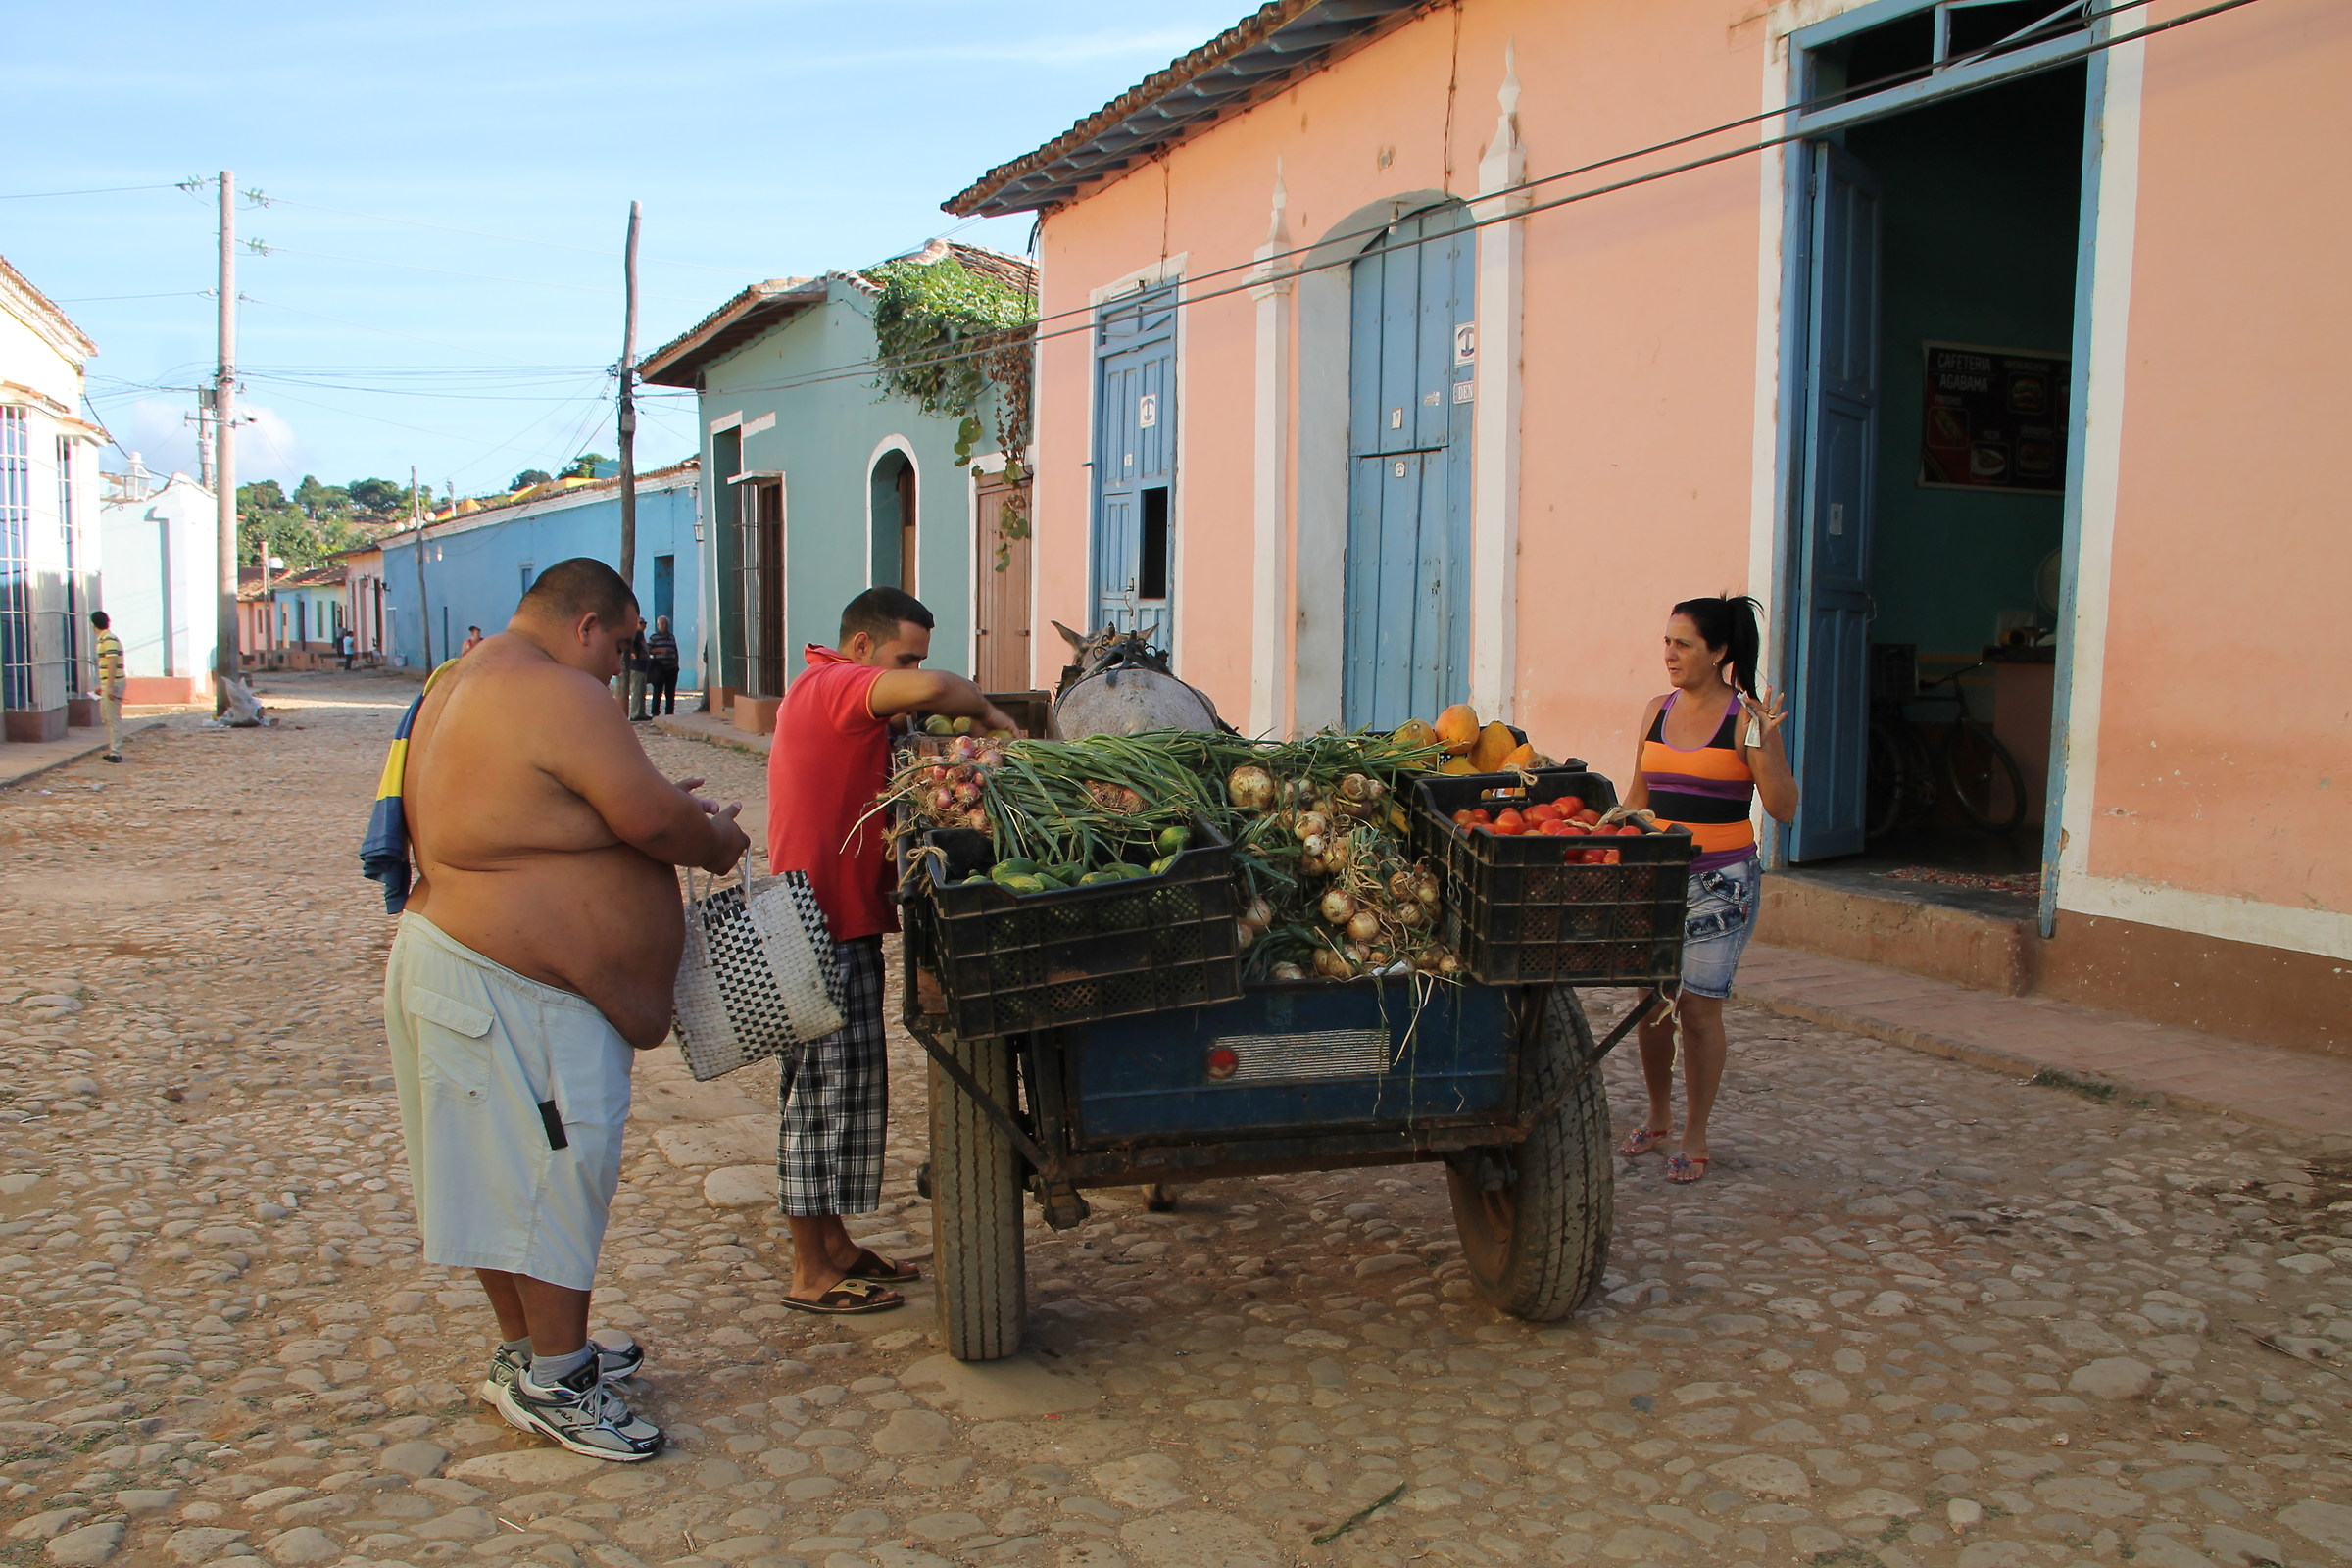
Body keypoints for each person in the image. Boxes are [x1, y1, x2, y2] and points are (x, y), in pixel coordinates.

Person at [384, 558, 748, 1460]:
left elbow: (568, 811)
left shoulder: (459, 680)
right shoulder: (556, 691)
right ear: (587, 625)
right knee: (549, 1176)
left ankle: (529, 1352)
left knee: (496, 1176)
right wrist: (718, 839)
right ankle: (558, 1377)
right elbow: (655, 824)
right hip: (512, 983)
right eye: (621, 647)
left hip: (470, 970)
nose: (622, 668)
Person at [766, 586, 1016, 1314]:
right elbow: (940, 689)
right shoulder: (835, 686)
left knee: (843, 1097)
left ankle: (836, 1248)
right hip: (818, 927)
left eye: (917, 658)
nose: (914, 673)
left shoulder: (835, 690)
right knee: (815, 1103)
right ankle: (810, 1272)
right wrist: (989, 715)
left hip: (840, 924)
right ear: (862, 649)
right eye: (903, 657)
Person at [1620, 595, 1798, 1184]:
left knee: (1697, 1009)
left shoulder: (1747, 721)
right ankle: (1659, 1115)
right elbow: (1638, 798)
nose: (1669, 653)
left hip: (1722, 881)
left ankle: (1695, 1135)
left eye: (1684, 644)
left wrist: (1767, 745)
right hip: (1658, 878)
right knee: (1650, 1003)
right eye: (1667, 641)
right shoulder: (1656, 711)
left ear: (1719, 652)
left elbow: (1785, 808)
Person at [90, 611, 124, 762]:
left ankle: (116, 752)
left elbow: (112, 662)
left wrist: (109, 686)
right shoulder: (105, 639)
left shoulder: (108, 640)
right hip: (109, 682)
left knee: (112, 717)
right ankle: (113, 748)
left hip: (114, 682)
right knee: (106, 716)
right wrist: (103, 685)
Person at [644, 615, 679, 716]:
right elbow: (647, 650)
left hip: (671, 669)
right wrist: (660, 651)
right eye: (662, 624)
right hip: (659, 669)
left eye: (666, 624)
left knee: (670, 692)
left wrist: (676, 664)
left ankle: (669, 712)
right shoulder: (654, 638)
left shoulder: (671, 637)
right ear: (658, 625)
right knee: (657, 692)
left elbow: (675, 650)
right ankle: (655, 712)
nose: (664, 626)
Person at [621, 623, 652, 721]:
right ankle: (636, 713)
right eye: (641, 623)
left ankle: (641, 712)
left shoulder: (641, 635)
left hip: (642, 666)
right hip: (637, 666)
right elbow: (631, 646)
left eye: (644, 623)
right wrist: (634, 654)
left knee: (641, 690)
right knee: (637, 690)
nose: (643, 625)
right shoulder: (636, 634)